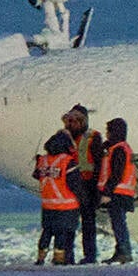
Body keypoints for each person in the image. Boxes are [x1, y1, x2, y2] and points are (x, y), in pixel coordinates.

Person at [44, 104, 106, 263]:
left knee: (88, 223)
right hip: (69, 185)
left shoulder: (93, 137)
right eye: (70, 120)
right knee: (68, 223)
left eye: (76, 120)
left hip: (88, 184)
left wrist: (99, 188)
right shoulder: (62, 137)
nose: (72, 124)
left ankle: (90, 256)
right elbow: (49, 148)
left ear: (84, 121)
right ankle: (67, 255)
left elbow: (99, 163)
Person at [32, 136, 80, 266]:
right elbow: (75, 184)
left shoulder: (43, 160)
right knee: (62, 233)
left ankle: (41, 257)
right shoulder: (67, 162)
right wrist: (83, 199)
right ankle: (59, 258)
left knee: (47, 231)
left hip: (48, 204)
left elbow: (36, 175)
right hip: (66, 205)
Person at [98, 117, 137, 264]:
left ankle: (124, 252)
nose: (106, 134)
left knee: (118, 224)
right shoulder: (120, 147)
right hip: (122, 192)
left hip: (118, 193)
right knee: (118, 223)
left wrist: (107, 193)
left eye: (108, 131)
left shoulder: (119, 149)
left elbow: (116, 173)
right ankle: (121, 252)